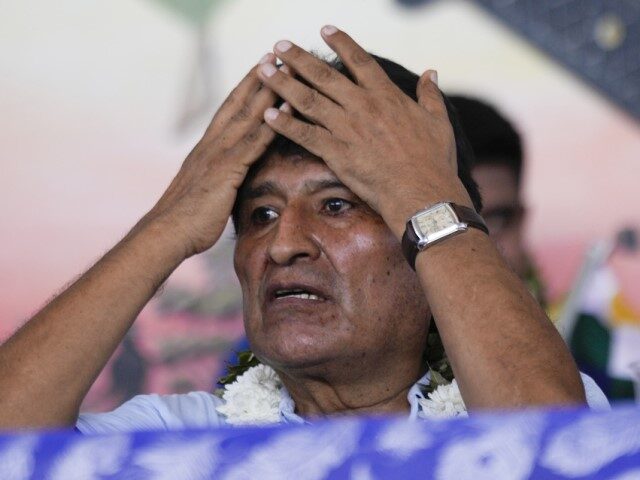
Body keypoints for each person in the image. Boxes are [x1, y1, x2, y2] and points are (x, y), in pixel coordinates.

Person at [0, 27, 606, 432]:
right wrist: (170, 222)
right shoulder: (179, 438)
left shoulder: (526, 399)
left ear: (425, 241)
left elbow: (551, 453)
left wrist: (425, 192)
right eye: (260, 215)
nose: (282, 246)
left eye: (337, 206)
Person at [449, 95, 545, 304]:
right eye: (454, 223)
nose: (482, 252)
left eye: (497, 219)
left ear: (521, 220)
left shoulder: (594, 332)